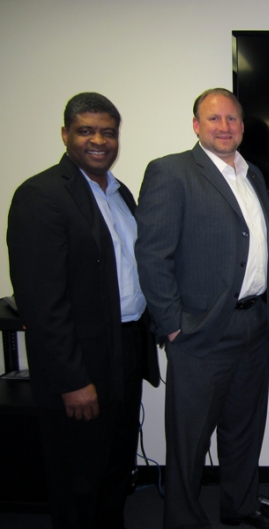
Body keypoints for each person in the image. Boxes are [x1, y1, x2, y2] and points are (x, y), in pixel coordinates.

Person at [134, 88, 269, 529]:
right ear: (196, 125)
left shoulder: (253, 174)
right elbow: (152, 255)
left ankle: (239, 505)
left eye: (232, 119)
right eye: (214, 119)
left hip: (254, 325)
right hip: (201, 332)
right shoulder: (171, 172)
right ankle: (182, 519)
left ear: (242, 126)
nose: (225, 127)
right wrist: (173, 325)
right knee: (189, 437)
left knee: (244, 430)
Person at [6, 92, 160, 529]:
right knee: (78, 477)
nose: (99, 140)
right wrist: (74, 381)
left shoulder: (119, 193)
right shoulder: (41, 196)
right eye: (86, 130)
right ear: (65, 135)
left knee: (114, 469)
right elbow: (42, 303)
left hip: (125, 349)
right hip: (82, 362)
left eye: (107, 132)